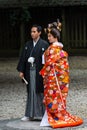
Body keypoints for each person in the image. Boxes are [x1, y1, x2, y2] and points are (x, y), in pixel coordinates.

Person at [39, 20, 83, 128]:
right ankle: (54, 116)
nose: (48, 38)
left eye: (50, 36)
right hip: (60, 79)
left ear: (55, 37)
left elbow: (46, 63)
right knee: (58, 97)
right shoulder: (61, 50)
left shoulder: (52, 50)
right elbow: (64, 67)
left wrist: (47, 72)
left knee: (52, 96)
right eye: (48, 36)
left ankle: (52, 118)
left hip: (53, 79)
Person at [17, 24, 49, 121]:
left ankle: (42, 114)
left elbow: (47, 60)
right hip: (29, 72)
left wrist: (46, 72)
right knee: (30, 92)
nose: (32, 33)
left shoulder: (44, 44)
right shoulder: (27, 45)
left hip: (39, 72)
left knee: (40, 92)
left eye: (34, 31)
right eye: (31, 32)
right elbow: (23, 58)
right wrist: (22, 70)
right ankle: (29, 114)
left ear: (39, 33)